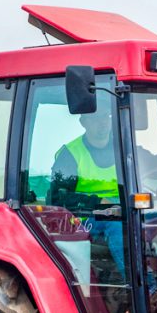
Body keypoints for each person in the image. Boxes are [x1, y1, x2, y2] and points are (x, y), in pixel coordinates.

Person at [50, 108, 125, 280]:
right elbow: (58, 198)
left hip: (122, 209)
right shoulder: (70, 154)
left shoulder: (124, 148)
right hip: (84, 217)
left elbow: (150, 161)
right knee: (115, 219)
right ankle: (141, 285)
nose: (102, 122)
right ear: (83, 122)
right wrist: (98, 201)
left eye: (105, 116)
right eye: (95, 118)